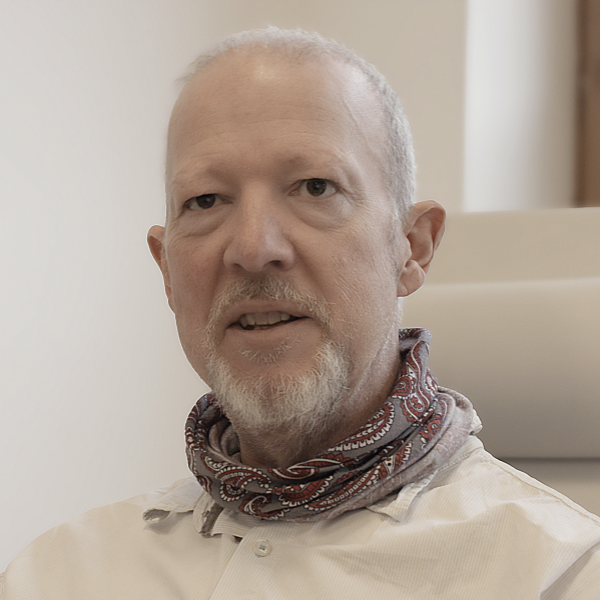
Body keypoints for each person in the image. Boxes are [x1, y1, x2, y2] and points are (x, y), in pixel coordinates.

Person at [2, 27, 599, 599]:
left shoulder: (559, 575)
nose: (253, 248)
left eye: (315, 187)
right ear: (166, 269)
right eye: (205, 200)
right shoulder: (54, 575)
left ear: (412, 247)